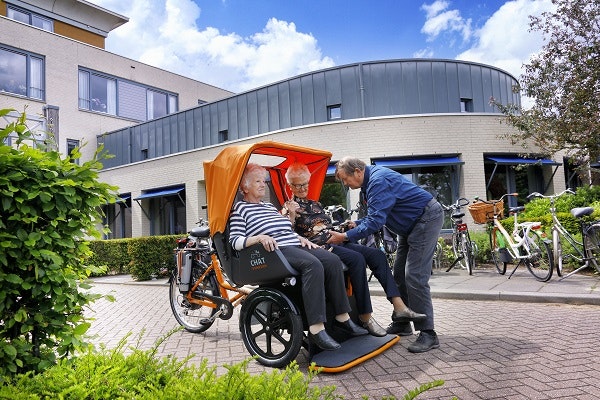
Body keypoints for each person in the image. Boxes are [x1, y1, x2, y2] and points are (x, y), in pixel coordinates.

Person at [229, 163, 368, 351]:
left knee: (332, 261)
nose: (263, 184)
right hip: (275, 251)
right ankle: (316, 329)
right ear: (244, 187)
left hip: (294, 243)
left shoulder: (269, 207)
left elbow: (285, 228)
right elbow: (235, 240)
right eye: (257, 181)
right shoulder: (240, 209)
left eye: (264, 181)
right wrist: (259, 238)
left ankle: (343, 318)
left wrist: (300, 237)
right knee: (313, 265)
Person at [283, 163, 426, 337]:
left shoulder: (316, 204)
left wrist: (347, 226)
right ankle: (366, 317)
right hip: (321, 248)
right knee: (357, 259)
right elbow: (285, 234)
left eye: (305, 183)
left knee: (377, 255)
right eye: (298, 185)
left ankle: (399, 306)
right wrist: (290, 215)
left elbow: (327, 227)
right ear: (290, 186)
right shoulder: (288, 208)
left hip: (336, 241)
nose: (303, 188)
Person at [328, 157, 444, 353]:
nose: (345, 184)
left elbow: (375, 222)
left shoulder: (378, 181)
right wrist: (357, 224)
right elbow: (377, 213)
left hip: (425, 219)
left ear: (357, 171)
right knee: (399, 274)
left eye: (345, 179)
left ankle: (428, 333)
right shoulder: (368, 184)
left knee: (414, 276)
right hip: (410, 226)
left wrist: (345, 236)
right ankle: (403, 322)